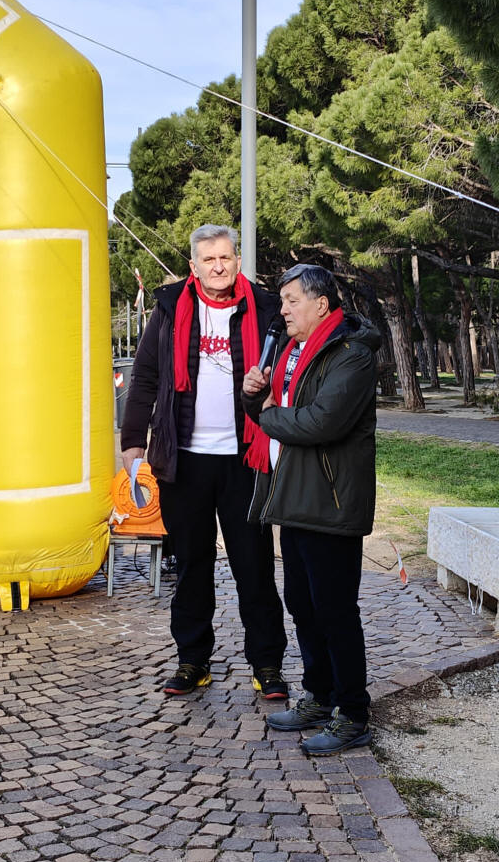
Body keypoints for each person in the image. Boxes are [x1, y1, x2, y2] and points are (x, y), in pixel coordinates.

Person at [120, 224, 288, 697]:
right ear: (194, 266)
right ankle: (192, 660)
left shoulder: (265, 307)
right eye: (209, 259)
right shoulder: (170, 306)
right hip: (184, 460)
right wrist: (132, 443)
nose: (218, 266)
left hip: (245, 458)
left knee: (254, 566)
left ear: (238, 261)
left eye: (225, 257)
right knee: (192, 565)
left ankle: (267, 665)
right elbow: (146, 377)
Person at [241, 264, 380, 756]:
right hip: (295, 495)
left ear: (321, 304)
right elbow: (274, 411)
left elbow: (321, 422)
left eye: (291, 300)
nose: (282, 310)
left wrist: (266, 412)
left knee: (335, 610)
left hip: (331, 501)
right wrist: (254, 395)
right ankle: (319, 696)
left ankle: (353, 713)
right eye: (282, 300)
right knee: (302, 603)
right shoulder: (291, 349)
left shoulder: (352, 354)